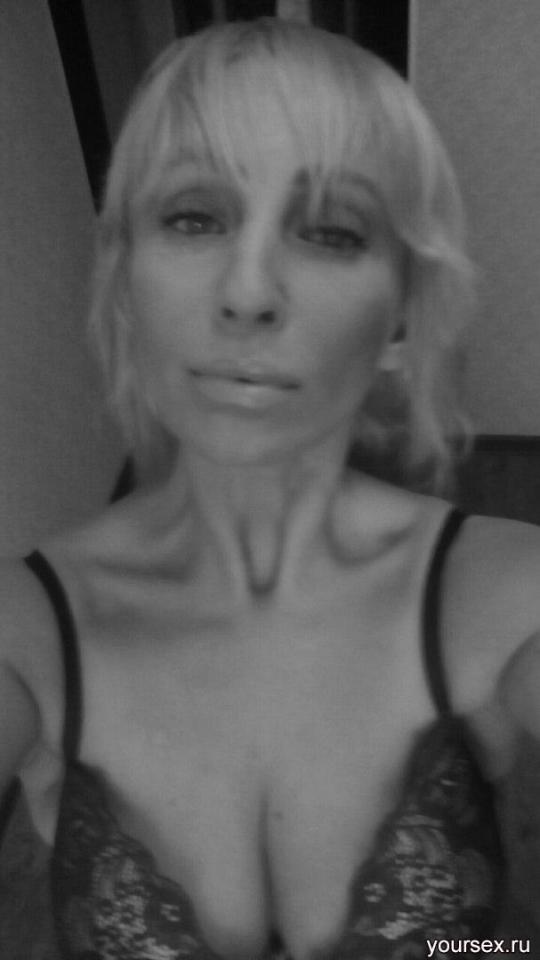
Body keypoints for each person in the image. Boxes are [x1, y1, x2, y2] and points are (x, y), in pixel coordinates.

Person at [1, 16, 539, 960]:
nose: (247, 292)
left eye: (331, 232)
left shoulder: (510, 594)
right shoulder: (26, 629)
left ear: (402, 315)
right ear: (126, 278)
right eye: (193, 218)